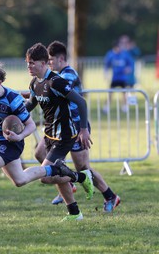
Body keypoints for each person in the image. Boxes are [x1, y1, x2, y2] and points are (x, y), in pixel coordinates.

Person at [0, 63, 87, 229]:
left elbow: (30, 125)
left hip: (12, 144)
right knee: (20, 180)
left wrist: (19, 136)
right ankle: (59, 170)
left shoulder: (12, 99)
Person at [33, 40, 120, 212]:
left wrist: (83, 129)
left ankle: (110, 195)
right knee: (40, 153)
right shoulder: (53, 77)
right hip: (59, 127)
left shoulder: (68, 75)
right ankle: (68, 181)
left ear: (61, 58)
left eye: (50, 60)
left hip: (75, 125)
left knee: (83, 167)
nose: (48, 63)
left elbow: (56, 90)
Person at [24, 43, 95, 221]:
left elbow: (81, 102)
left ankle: (81, 177)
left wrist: (84, 130)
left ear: (43, 63)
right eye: (27, 63)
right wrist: (12, 111)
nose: (29, 66)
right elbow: (30, 105)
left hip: (64, 136)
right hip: (49, 133)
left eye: (32, 63)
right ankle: (75, 213)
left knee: (46, 177)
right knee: (46, 161)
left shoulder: (56, 82)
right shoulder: (34, 83)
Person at [103, 39, 134, 113]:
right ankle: (106, 107)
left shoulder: (124, 54)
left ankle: (125, 107)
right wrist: (106, 73)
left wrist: (129, 69)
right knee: (110, 93)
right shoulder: (110, 54)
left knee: (124, 93)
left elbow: (130, 63)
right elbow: (106, 65)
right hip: (114, 78)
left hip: (123, 78)